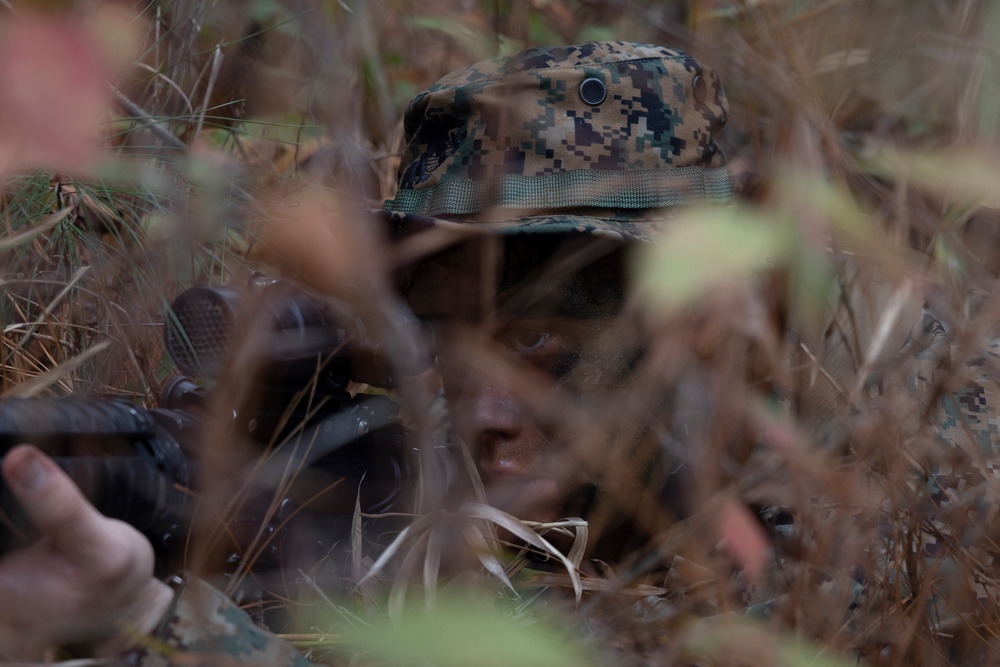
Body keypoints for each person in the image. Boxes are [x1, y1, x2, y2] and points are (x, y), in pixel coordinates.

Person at [0, 40, 991, 665]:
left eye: (541, 342)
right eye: (433, 343)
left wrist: (149, 622)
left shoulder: (881, 427)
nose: (483, 411)